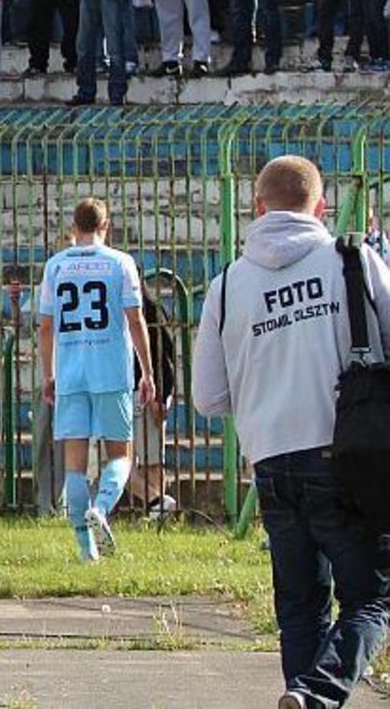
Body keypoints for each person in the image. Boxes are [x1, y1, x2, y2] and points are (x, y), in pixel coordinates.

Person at [193, 156, 390, 709]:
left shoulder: (227, 285)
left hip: (272, 462)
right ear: (320, 207)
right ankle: (318, 694)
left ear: (256, 208)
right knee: (372, 598)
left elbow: (208, 398)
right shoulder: (352, 261)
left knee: (300, 609)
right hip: (349, 456)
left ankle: (301, 697)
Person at [37, 199, 152, 564]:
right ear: (107, 225)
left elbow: (45, 326)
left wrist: (48, 373)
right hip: (110, 370)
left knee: (74, 462)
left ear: (74, 225)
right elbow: (134, 320)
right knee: (121, 454)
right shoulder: (120, 263)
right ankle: (101, 508)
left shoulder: (56, 266)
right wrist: (147, 372)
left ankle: (86, 550)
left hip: (71, 371)